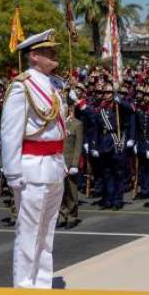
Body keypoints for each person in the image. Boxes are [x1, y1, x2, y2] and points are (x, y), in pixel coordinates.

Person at [0, 29, 68, 289]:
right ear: (34, 56)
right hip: (32, 167)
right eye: (49, 52)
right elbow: (10, 132)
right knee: (29, 233)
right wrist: (13, 172)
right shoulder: (21, 86)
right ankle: (24, 288)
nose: (55, 55)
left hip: (53, 165)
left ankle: (42, 284)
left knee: (46, 232)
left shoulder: (53, 85)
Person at [59, 93, 84, 229]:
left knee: (71, 192)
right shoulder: (56, 123)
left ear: (69, 108)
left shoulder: (76, 124)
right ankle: (63, 214)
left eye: (63, 106)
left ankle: (72, 216)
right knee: (59, 192)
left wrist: (75, 164)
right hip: (58, 163)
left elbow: (78, 145)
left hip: (69, 163)